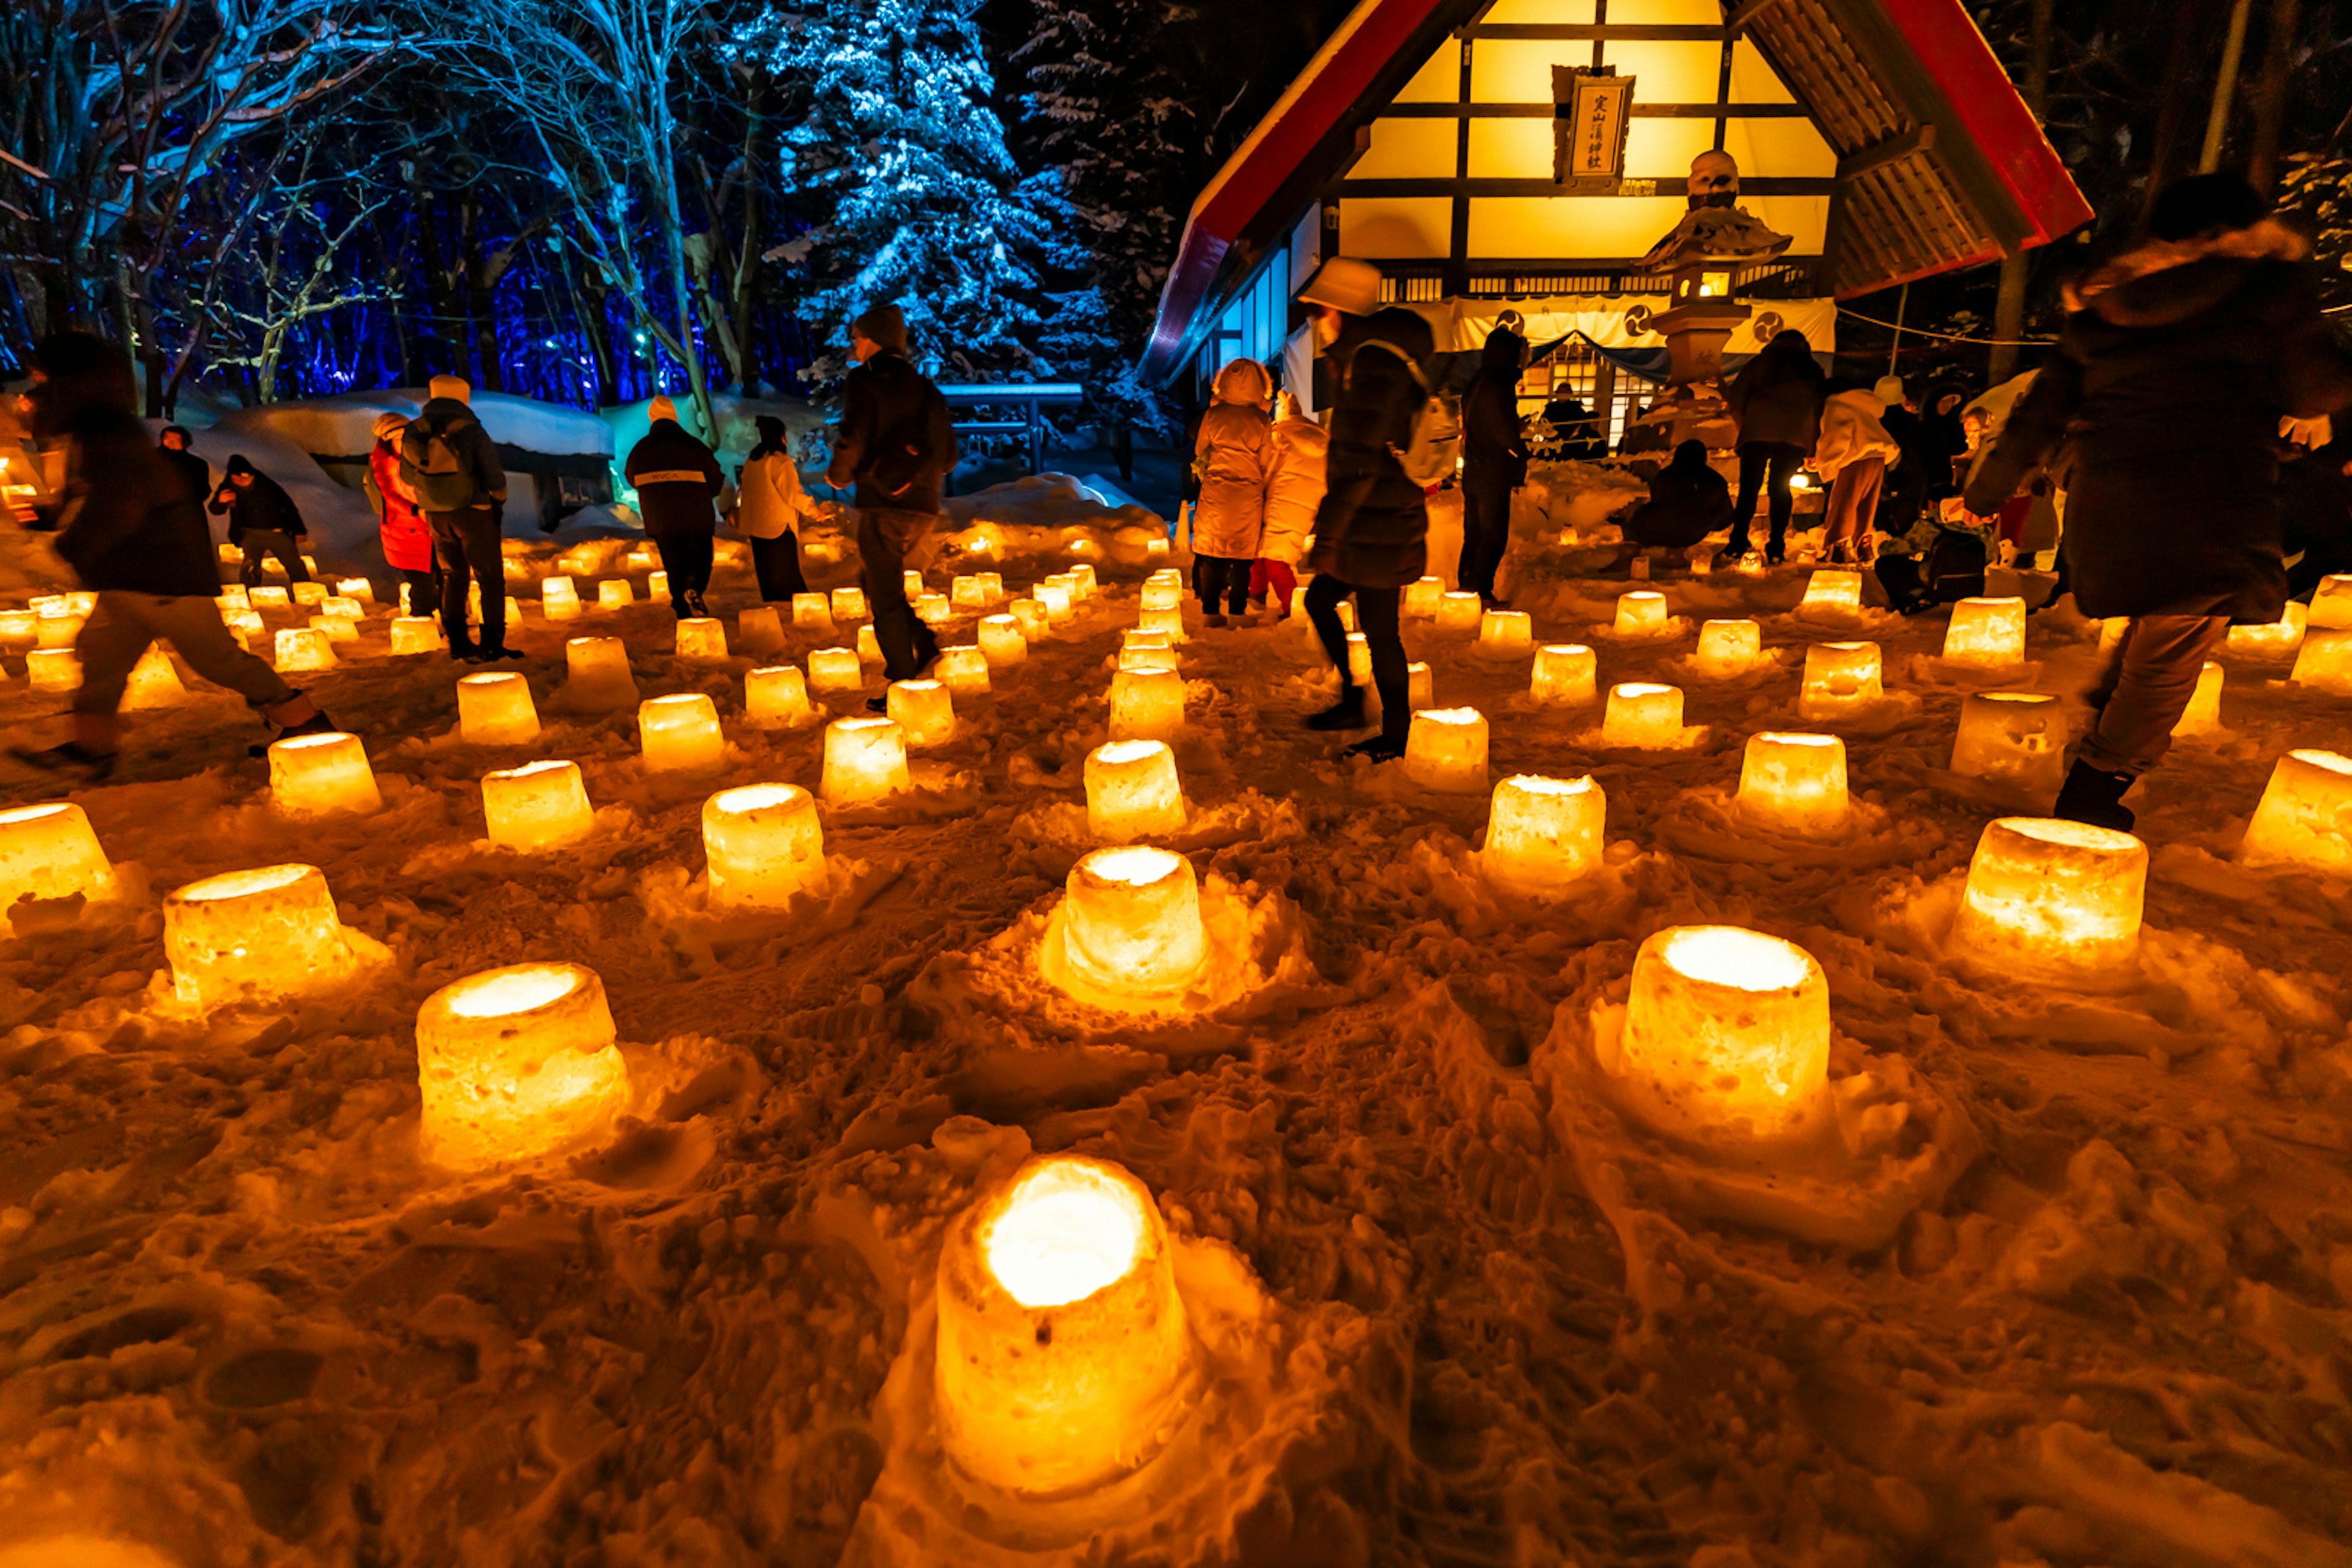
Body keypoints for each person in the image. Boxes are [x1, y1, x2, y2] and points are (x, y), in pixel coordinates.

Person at [1969, 172, 2352, 831]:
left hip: (2111, 503)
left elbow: (2041, 413)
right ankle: (2097, 783)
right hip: (2212, 503)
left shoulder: (2107, 306)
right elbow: (2317, 390)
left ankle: (2112, 703)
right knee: (2172, 653)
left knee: (2158, 626)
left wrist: (1986, 488)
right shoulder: (2266, 294)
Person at [9, 333, 332, 780]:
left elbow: (123, 500)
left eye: (43, 380)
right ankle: (92, 747)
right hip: (130, 573)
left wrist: (73, 544)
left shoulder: (110, 434)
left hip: (162, 573)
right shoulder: (94, 433)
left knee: (215, 658)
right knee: (99, 656)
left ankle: (304, 720)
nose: (31, 393)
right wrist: (51, 516)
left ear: (72, 383)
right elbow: (96, 492)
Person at [1295, 256, 1431, 762]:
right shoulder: (1370, 358)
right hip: (1378, 519)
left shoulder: (1373, 363)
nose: (1314, 321)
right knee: (1326, 603)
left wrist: (1327, 534)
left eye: (1319, 310)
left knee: (1381, 633)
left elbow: (1362, 460)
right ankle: (1355, 702)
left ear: (1341, 310)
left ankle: (1395, 736)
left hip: (1377, 522)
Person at [826, 301, 957, 695]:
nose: (854, 346)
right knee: (877, 580)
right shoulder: (926, 389)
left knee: (883, 592)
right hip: (923, 506)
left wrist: (838, 474)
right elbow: (949, 457)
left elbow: (854, 433)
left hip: (884, 503)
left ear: (874, 340)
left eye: (857, 338)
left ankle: (903, 682)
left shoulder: (865, 381)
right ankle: (922, 642)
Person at [401, 374, 515, 662]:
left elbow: (405, 475)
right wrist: (498, 497)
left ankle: (458, 642)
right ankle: (492, 644)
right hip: (474, 512)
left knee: (453, 577)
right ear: (462, 399)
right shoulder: (471, 430)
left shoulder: (415, 430)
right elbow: (493, 474)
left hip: (437, 517)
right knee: (490, 579)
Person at [1721, 328, 1825, 565]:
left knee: (1749, 489)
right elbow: (1817, 408)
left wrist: (1745, 425)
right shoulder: (1811, 369)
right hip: (1794, 436)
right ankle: (1777, 546)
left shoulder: (1761, 364)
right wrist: (1811, 446)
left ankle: (1738, 541)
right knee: (1780, 488)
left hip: (1758, 430)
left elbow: (1736, 398)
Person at [625, 394, 725, 617]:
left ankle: (680, 603)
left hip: (661, 519)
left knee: (673, 561)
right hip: (696, 517)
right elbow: (716, 480)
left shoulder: (640, 451)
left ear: (653, 419)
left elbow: (632, 479)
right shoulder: (694, 447)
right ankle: (695, 588)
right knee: (700, 558)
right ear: (674, 418)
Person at [1190, 358, 1273, 625]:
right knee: (1241, 556)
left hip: (1216, 491)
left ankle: (1211, 611)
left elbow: (1200, 449)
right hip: (1248, 494)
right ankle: (1237, 611)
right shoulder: (1261, 420)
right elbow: (1266, 460)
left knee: (1213, 554)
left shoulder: (1213, 416)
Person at [1460, 326, 1528, 606]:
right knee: (1492, 535)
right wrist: (1521, 450)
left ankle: (1466, 589)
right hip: (1492, 471)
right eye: (1521, 352)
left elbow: (1484, 424)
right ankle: (1482, 594)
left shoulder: (1477, 380)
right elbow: (1504, 433)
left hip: (1474, 468)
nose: (1524, 358)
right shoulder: (1499, 384)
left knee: (1474, 533)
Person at [1812, 382, 1902, 565]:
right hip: (1877, 457)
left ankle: (1837, 549)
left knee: (1844, 502)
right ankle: (1864, 546)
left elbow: (1837, 437)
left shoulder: (1837, 406)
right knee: (1866, 503)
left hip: (1856, 457)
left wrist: (1826, 463)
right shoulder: (1863, 406)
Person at [732, 414, 814, 603]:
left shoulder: (753, 461)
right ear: (781, 437)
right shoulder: (780, 461)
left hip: (757, 529)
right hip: (778, 529)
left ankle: (775, 612)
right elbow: (792, 494)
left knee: (769, 578)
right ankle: (792, 614)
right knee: (786, 578)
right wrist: (814, 511)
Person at [1257, 391, 1325, 617]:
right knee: (1270, 551)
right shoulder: (1322, 440)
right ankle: (1255, 592)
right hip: (1306, 507)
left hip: (1281, 501)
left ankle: (1292, 607)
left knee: (1274, 557)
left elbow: (1267, 466)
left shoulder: (1281, 435)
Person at [362, 411, 435, 611]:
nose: (405, 444)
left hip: (428, 532)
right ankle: (422, 628)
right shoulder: (385, 464)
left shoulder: (419, 460)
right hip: (405, 535)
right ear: (388, 442)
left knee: (438, 582)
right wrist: (414, 510)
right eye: (400, 439)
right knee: (423, 587)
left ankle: (442, 626)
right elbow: (390, 495)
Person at [1623, 440, 1732, 560]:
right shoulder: (1714, 479)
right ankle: (1676, 553)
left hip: (1657, 527)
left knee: (1634, 518)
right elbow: (1726, 515)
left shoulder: (1665, 475)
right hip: (1694, 531)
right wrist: (1711, 521)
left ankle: (1627, 554)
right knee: (1681, 523)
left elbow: (1656, 500)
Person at [208, 455, 309, 586]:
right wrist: (220, 501)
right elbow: (215, 510)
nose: (239, 482)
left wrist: (299, 530)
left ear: (251, 476)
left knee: (294, 563)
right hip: (250, 534)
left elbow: (288, 508)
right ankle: (251, 593)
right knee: (250, 567)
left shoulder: (267, 486)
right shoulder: (229, 487)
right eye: (235, 478)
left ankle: (305, 591)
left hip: (277, 532)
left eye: (244, 478)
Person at [1872, 376, 1932, 541]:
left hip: (1880, 475)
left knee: (1877, 518)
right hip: (1912, 478)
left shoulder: (1874, 422)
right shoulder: (1915, 424)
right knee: (1906, 521)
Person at [157, 424, 209, 510]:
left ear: (184, 443)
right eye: (167, 439)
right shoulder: (150, 458)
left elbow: (203, 491)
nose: (170, 443)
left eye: (175, 440)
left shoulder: (197, 464)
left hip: (185, 513)